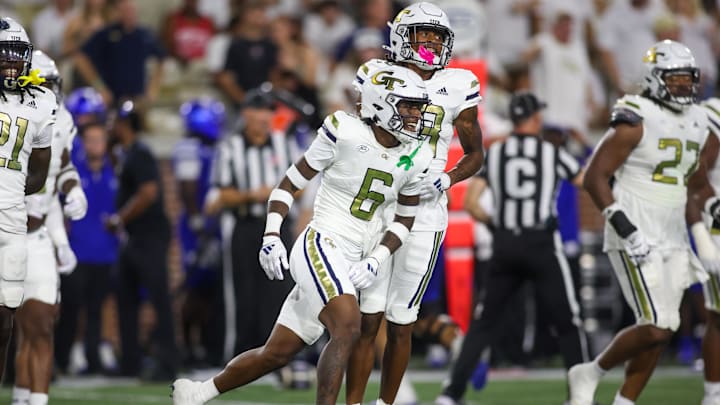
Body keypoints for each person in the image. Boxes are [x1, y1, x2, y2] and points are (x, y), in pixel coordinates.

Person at [171, 63, 434, 405]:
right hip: (322, 243)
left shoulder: (416, 154)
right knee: (348, 325)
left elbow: (405, 218)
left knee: (277, 352)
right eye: (408, 105)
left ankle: (198, 392)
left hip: (361, 256)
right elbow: (288, 186)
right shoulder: (344, 131)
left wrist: (377, 259)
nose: (416, 114)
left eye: (418, 106)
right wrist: (271, 236)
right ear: (382, 103)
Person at [346, 3, 485, 405]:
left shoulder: (459, 83)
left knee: (403, 319)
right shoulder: (377, 75)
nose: (431, 45)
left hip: (425, 209)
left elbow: (475, 153)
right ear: (401, 38)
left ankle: (386, 402)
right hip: (380, 204)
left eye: (438, 37)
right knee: (367, 318)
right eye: (423, 36)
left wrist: (448, 178)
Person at [569, 39, 710, 405]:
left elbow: (695, 182)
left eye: (687, 79)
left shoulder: (697, 120)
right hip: (635, 229)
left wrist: (710, 212)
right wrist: (624, 227)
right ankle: (591, 372)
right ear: (654, 78)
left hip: (673, 233)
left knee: (664, 330)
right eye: (674, 79)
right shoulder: (636, 116)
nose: (683, 86)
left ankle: (622, 399)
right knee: (657, 323)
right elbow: (595, 176)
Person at [435, 91, 588, 405]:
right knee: (568, 323)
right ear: (533, 118)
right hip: (541, 243)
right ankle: (580, 397)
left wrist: (497, 225)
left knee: (482, 324)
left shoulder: (497, 153)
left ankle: (451, 395)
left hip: (505, 244)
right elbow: (586, 181)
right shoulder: (552, 152)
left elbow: (472, 203)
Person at [13, 50, 87, 405]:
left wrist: (73, 190)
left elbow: (63, 170)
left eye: (52, 86)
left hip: (38, 234)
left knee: (40, 325)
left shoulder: (63, 122)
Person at [105, 101, 178, 381]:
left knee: (159, 299)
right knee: (125, 296)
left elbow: (148, 193)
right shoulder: (127, 153)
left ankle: (168, 362)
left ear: (124, 125)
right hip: (135, 237)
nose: (111, 126)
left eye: (115, 122)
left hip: (149, 236)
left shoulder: (141, 153)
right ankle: (131, 362)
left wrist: (119, 219)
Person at [0, 17, 55, 384]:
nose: (12, 63)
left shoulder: (41, 101)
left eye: (17, 56)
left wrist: (9, 194)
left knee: (5, 318)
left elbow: (39, 171)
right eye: (4, 56)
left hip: (11, 220)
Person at [55, 121, 118, 376]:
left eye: (100, 140)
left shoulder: (113, 169)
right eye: (90, 140)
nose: (96, 145)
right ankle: (61, 358)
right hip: (77, 251)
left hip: (104, 252)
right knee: (70, 309)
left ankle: (93, 358)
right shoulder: (71, 171)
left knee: (96, 310)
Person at [173, 97, 224, 366]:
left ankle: (204, 344)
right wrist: (196, 219)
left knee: (208, 289)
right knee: (193, 287)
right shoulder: (189, 147)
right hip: (197, 228)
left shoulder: (214, 147)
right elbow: (188, 187)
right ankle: (188, 346)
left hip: (212, 225)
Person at [684, 96, 720, 405]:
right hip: (719, 227)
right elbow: (697, 178)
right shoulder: (714, 114)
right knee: (718, 315)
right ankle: (713, 396)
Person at [74, 0, 166, 106]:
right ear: (119, 13)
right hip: (112, 98)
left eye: (131, 11)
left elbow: (161, 58)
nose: (129, 15)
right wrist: (99, 87)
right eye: (126, 11)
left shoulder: (144, 35)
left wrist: (153, 87)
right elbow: (81, 57)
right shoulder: (107, 34)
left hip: (137, 97)